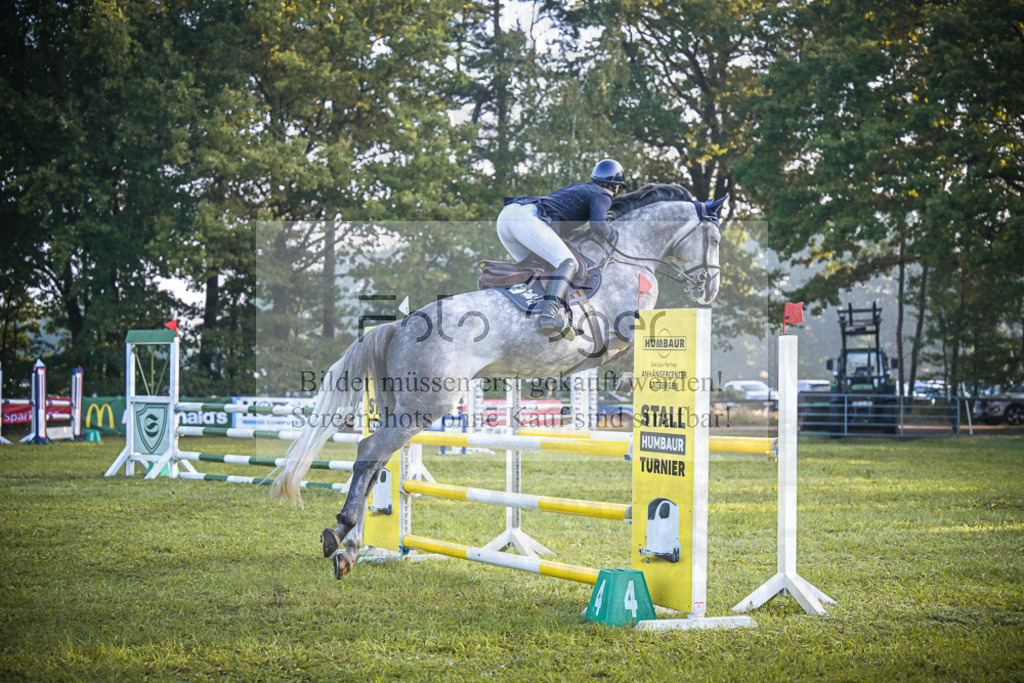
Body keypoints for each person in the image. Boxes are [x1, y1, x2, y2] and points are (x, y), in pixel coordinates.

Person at [497, 159, 625, 336]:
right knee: (569, 262)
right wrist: (616, 236)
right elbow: (597, 225)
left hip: (506, 218)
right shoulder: (602, 195)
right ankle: (549, 317)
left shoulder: (583, 188)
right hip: (525, 218)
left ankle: (524, 317)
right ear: (617, 187)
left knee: (538, 270)